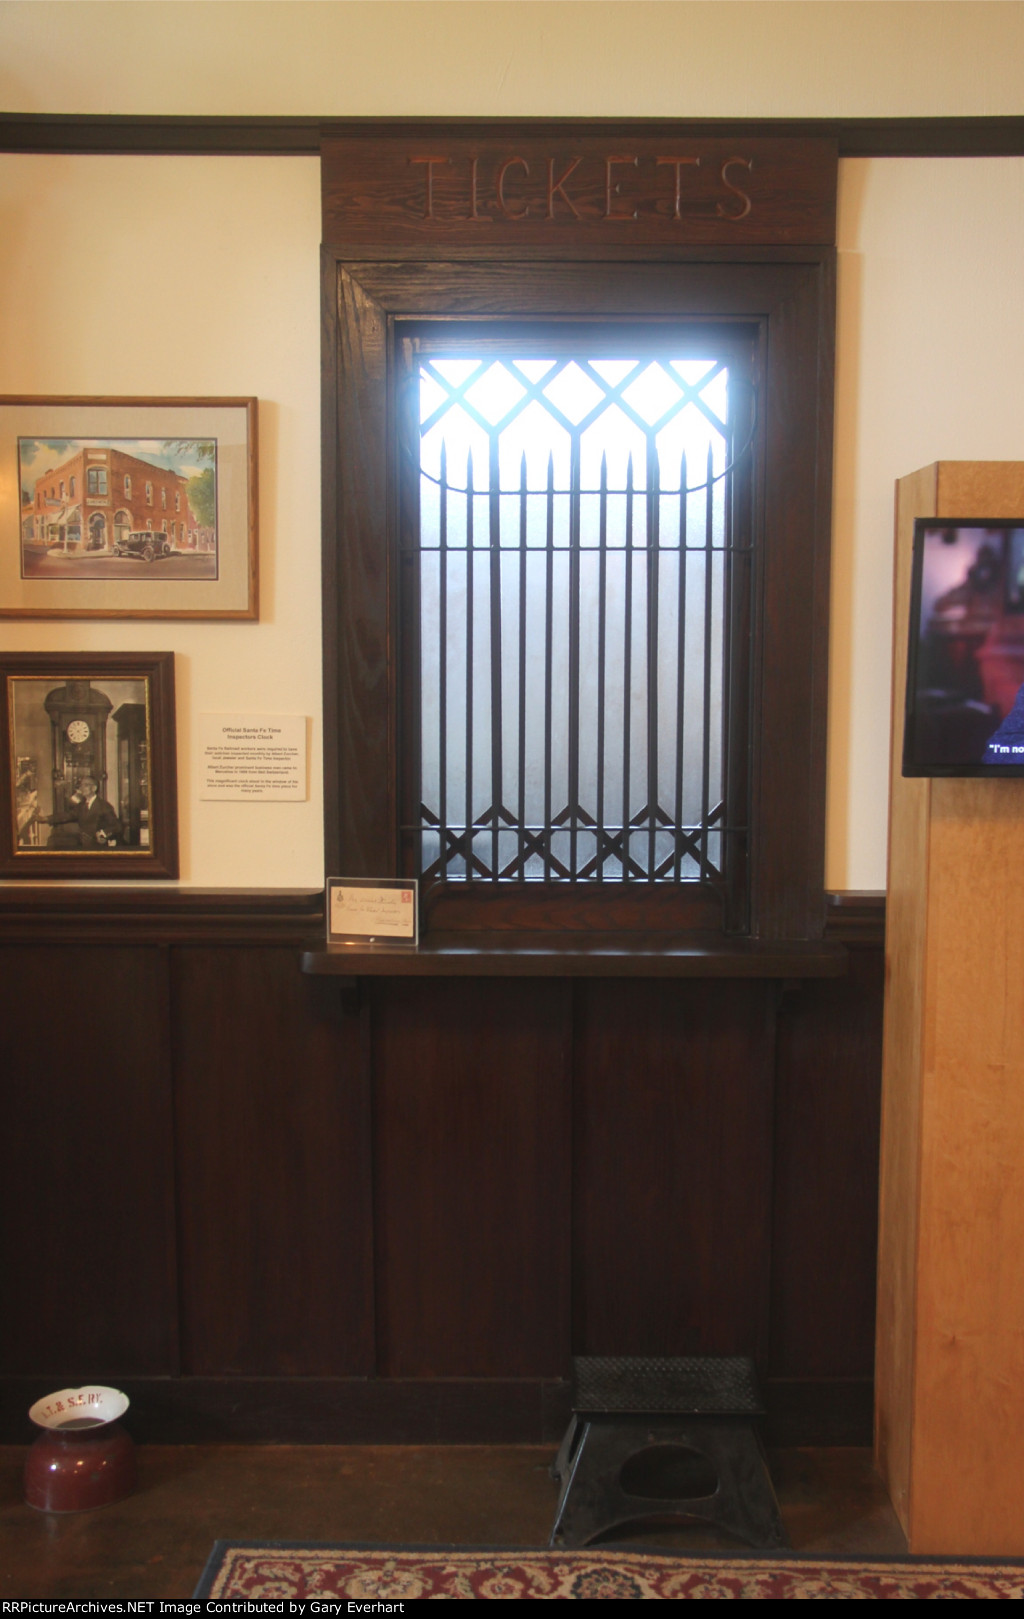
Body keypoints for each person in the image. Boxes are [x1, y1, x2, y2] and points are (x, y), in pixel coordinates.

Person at [40, 777, 123, 849]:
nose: (82, 788)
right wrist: (47, 818)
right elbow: (68, 815)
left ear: (94, 788)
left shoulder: (104, 806)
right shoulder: (81, 805)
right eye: (81, 785)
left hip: (97, 847)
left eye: (86, 785)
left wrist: (103, 834)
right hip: (83, 845)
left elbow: (117, 826)